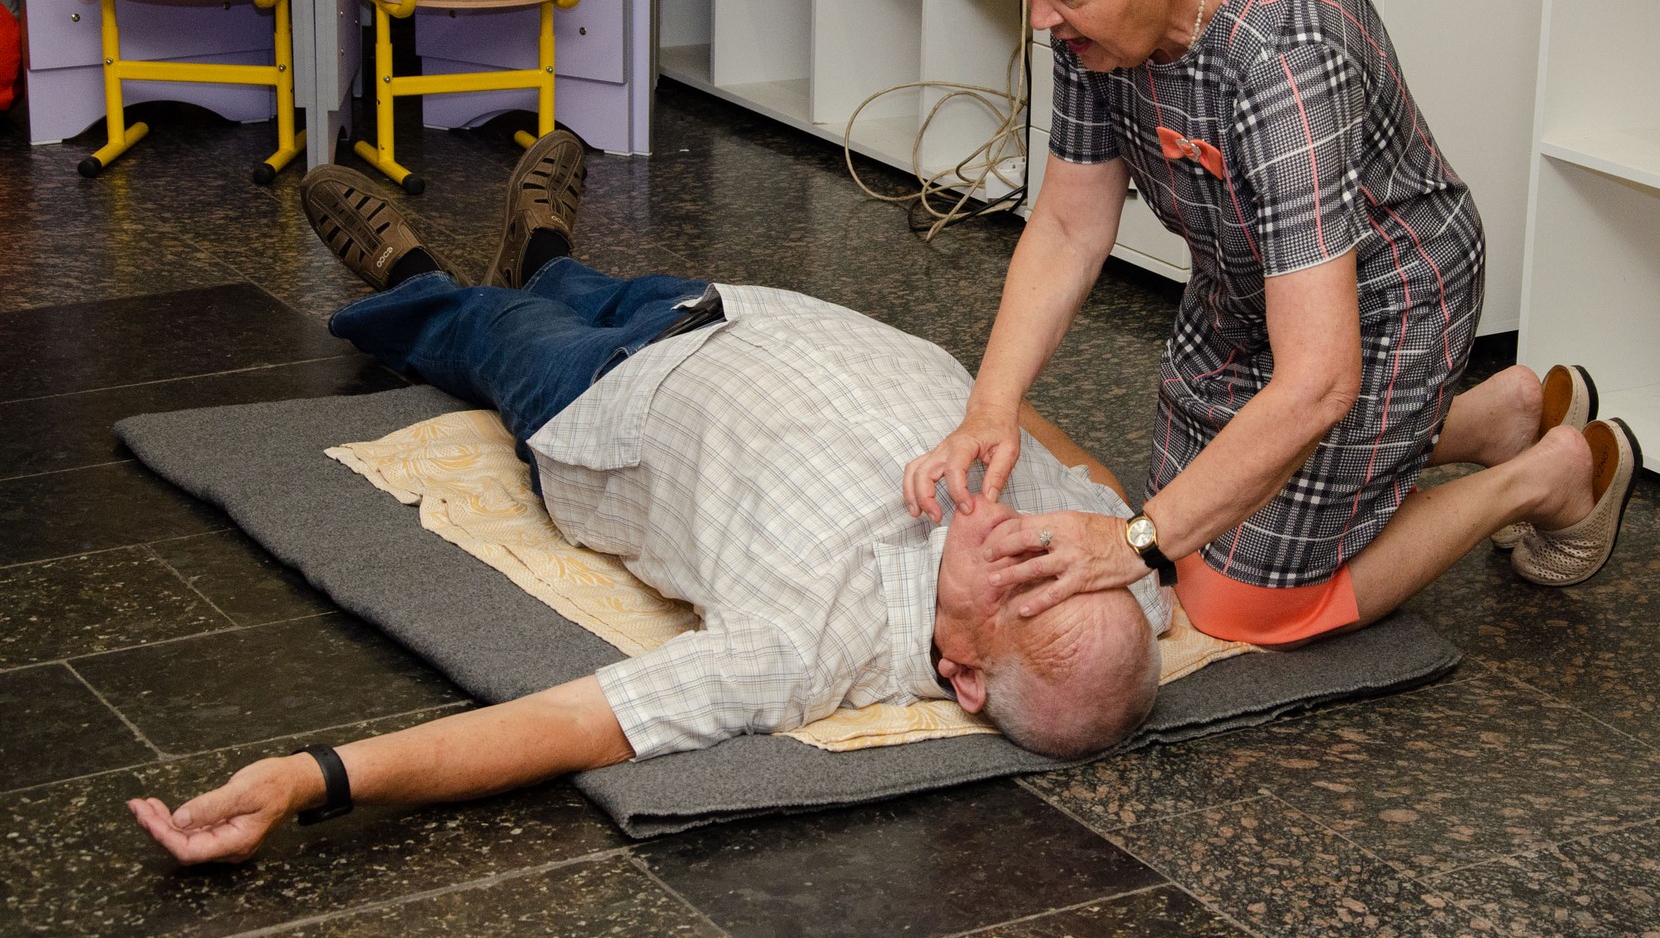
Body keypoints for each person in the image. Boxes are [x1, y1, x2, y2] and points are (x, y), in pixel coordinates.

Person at [129, 133, 1166, 866]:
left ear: (963, 678)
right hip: (735, 310)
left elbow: (570, 721)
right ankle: (546, 254)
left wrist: (311, 779)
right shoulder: (1115, 579)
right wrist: (999, 410)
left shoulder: (804, 647)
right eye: (1062, 554)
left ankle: (411, 274)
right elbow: (1110, 493)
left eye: (1019, 581)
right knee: (582, 287)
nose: (1027, 534)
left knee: (479, 330)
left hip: (605, 402)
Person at [903, 0, 1641, 649]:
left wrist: (1135, 542)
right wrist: (991, 406)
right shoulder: (1095, 16)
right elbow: (1069, 225)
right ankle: (1498, 418)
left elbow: (1319, 380)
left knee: (1233, 601)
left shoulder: (1286, 53)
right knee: (1191, 533)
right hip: (1249, 293)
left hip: (1388, 302)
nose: (1041, 17)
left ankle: (1544, 476)